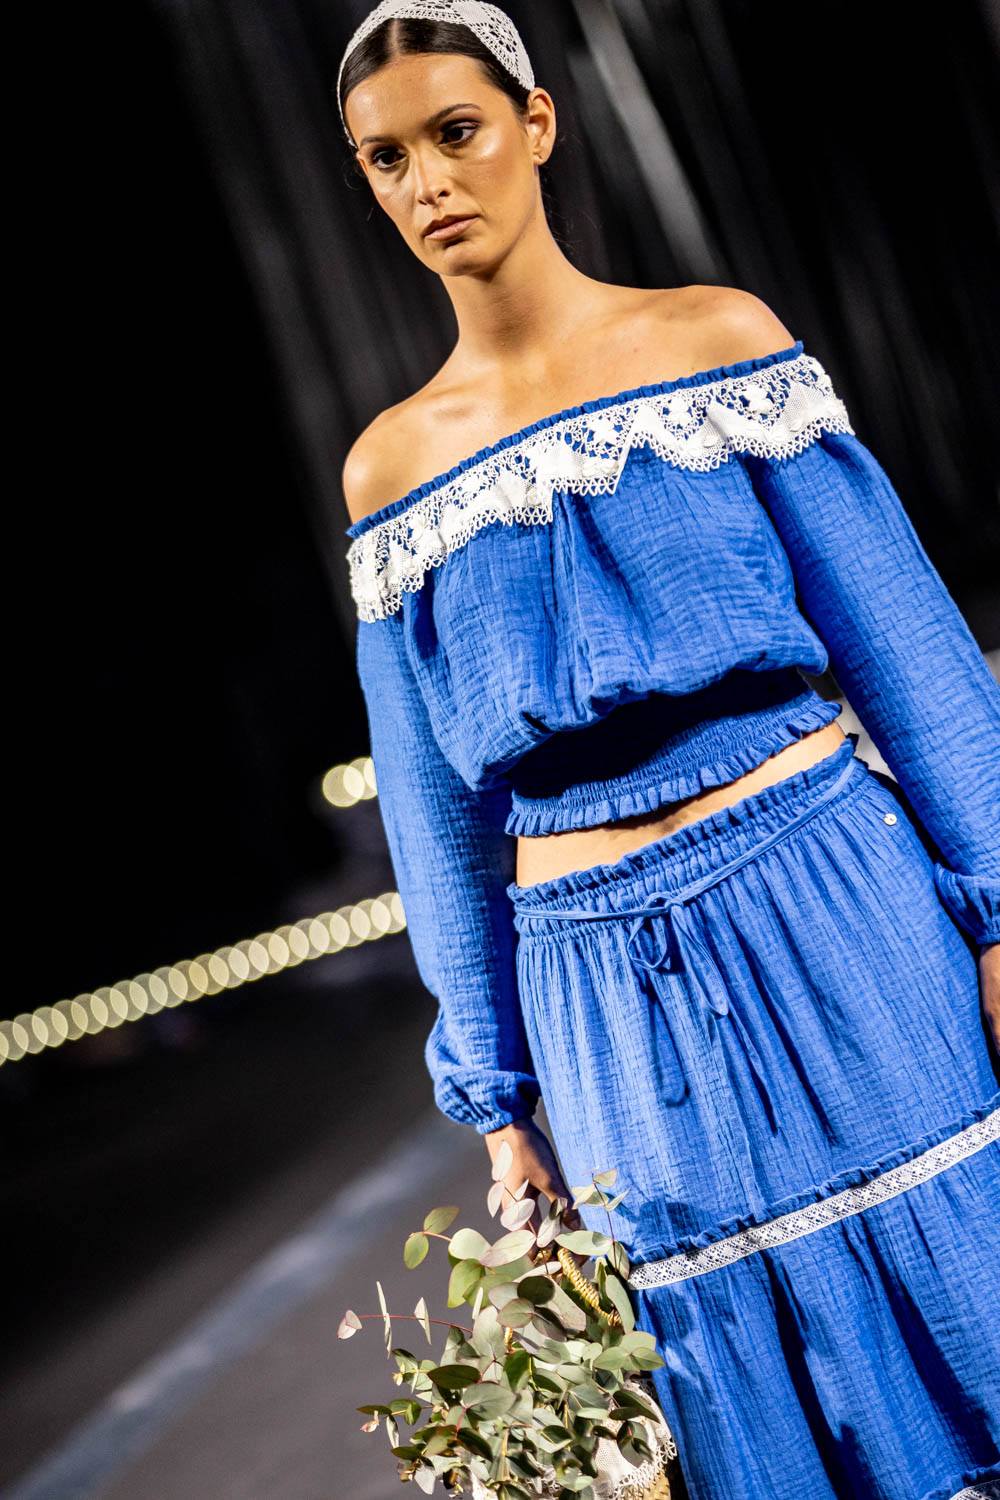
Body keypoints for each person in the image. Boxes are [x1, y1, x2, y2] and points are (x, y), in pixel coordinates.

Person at [335, 3, 1000, 1496]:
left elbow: (908, 653)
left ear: (537, 124)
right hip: (600, 990)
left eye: (457, 132)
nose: (429, 181)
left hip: (831, 898)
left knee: (968, 1306)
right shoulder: (390, 470)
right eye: (387, 158)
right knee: (730, 1372)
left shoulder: (716, 344)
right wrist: (500, 1104)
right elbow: (438, 824)